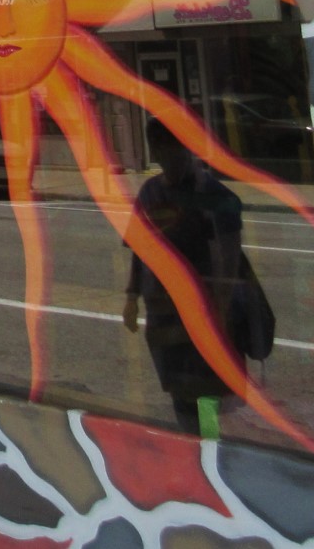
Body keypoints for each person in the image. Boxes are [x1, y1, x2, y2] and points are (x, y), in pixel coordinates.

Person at [122, 119, 244, 437]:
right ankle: (194, 439)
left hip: (201, 310)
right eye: (160, 150)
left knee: (205, 386)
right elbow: (140, 249)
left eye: (172, 149)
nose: (167, 157)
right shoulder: (150, 193)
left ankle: (208, 441)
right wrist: (131, 297)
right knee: (178, 384)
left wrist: (220, 308)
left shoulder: (213, 196)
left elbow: (230, 259)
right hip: (162, 312)